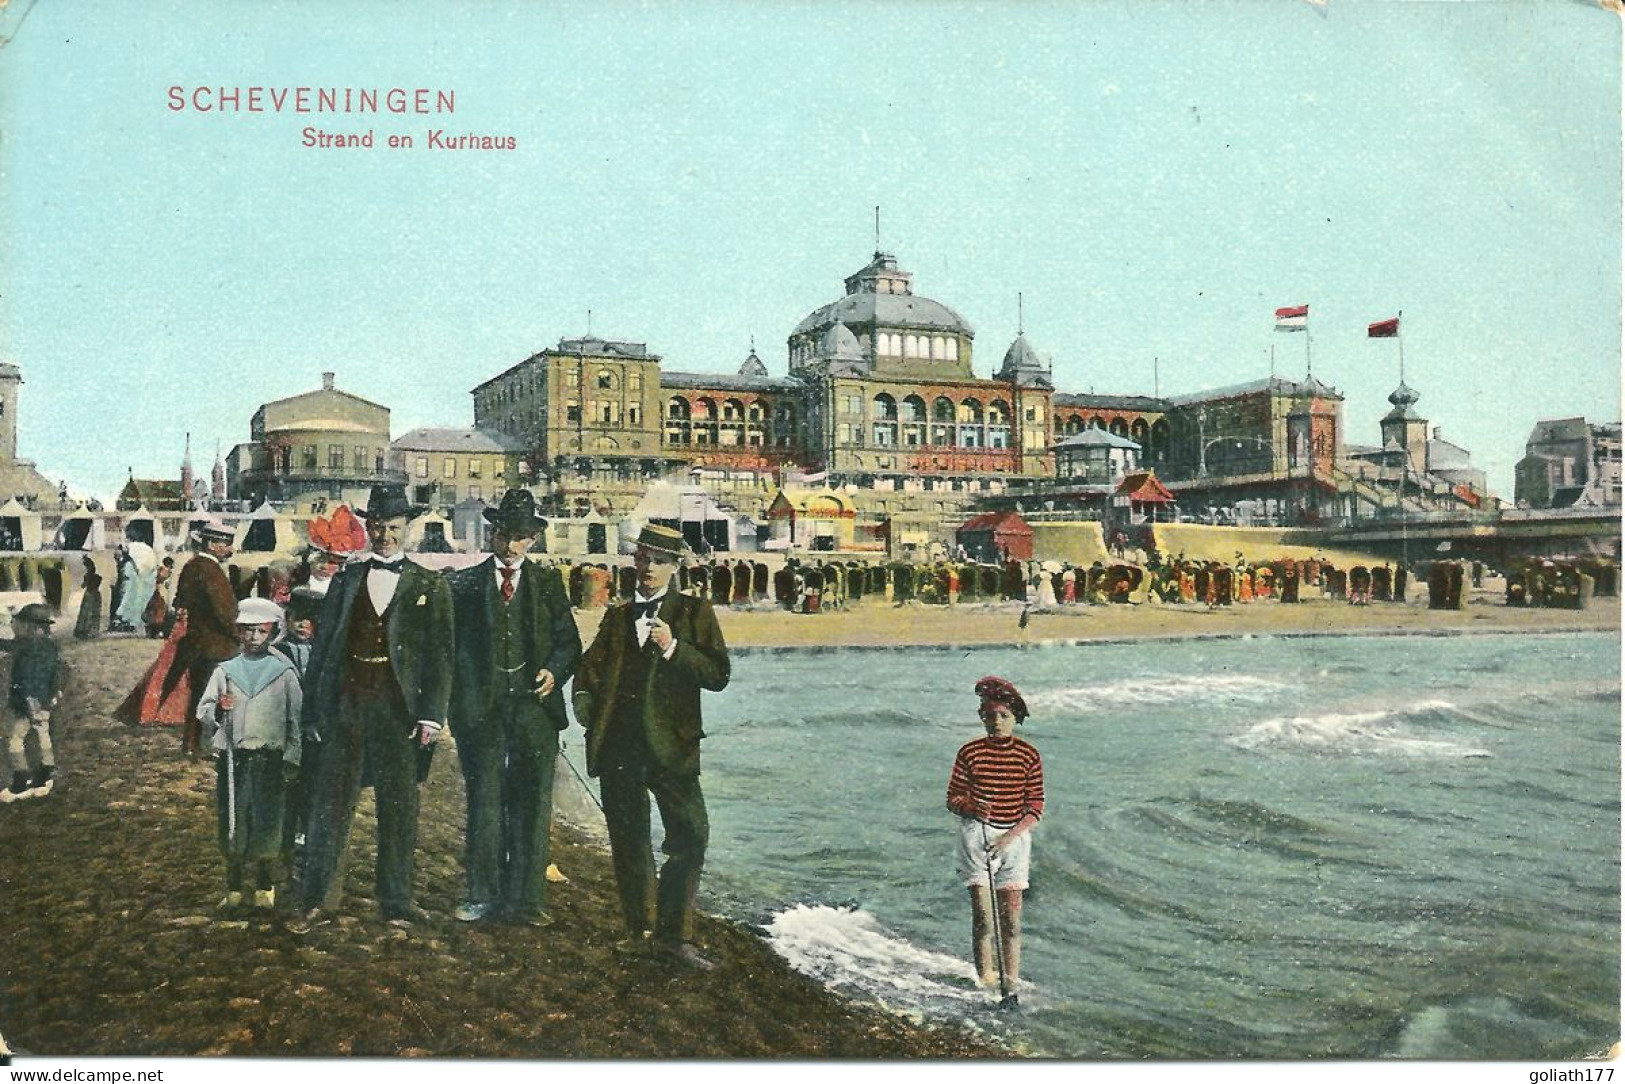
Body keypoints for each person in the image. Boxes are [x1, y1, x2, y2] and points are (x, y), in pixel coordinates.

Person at [572, 524, 730, 969]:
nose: (648, 568)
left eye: (659, 560)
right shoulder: (618, 616)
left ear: (675, 566)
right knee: (629, 839)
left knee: (691, 835)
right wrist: (587, 708)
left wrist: (673, 646)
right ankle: (639, 932)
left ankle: (675, 937)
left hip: (672, 746)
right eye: (642, 558)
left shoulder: (696, 613)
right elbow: (587, 672)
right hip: (620, 746)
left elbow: (717, 676)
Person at [297, 484, 452, 927]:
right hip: (347, 704)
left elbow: (440, 656)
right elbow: (325, 649)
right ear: (367, 528)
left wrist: (431, 716)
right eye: (378, 525)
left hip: (400, 711)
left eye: (393, 527)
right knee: (331, 803)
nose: (385, 534)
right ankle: (320, 896)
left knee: (400, 806)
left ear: (408, 529)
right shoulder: (346, 581)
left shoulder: (429, 584)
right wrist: (314, 712)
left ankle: (396, 901)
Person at [446, 489, 581, 926]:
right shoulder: (465, 585)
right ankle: (482, 895)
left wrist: (553, 673)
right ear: (493, 533)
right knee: (484, 800)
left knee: (532, 802)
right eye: (503, 534)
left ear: (533, 540)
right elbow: (449, 647)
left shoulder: (547, 584)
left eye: (520, 536)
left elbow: (569, 642)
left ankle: (527, 900)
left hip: (534, 712)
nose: (510, 544)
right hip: (480, 710)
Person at [196, 598, 303, 909]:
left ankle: (264, 885)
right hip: (236, 756)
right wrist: (218, 708)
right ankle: (233, 885)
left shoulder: (283, 672)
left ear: (272, 633)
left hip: (270, 757)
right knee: (233, 817)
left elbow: (294, 718)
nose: (254, 637)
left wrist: (293, 757)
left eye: (261, 631)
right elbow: (203, 709)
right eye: (247, 631)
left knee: (268, 819)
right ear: (239, 633)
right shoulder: (226, 671)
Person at [945, 676, 1045, 993]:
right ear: (981, 718)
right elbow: (953, 798)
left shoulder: (1029, 755)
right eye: (990, 716)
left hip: (1014, 839)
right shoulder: (969, 752)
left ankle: (1010, 980)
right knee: (984, 918)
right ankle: (985, 979)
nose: (996, 723)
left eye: (1003, 716)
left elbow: (1035, 807)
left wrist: (1009, 837)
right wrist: (971, 806)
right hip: (977, 837)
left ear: (1015, 718)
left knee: (1012, 922)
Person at [161, 517, 241, 754]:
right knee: (216, 696)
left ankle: (191, 744)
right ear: (212, 545)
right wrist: (239, 635)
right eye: (226, 544)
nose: (230, 549)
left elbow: (179, 601)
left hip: (196, 643)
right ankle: (209, 746)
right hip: (217, 645)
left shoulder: (191, 566)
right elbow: (225, 611)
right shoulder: (211, 571)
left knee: (199, 695)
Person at [0, 604, 64, 802]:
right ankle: (45, 774)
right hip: (44, 698)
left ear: (30, 626)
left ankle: (21, 780)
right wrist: (55, 692)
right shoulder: (49, 645)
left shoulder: (28, 647)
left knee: (15, 739)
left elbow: (27, 676)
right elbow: (55, 673)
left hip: (28, 699)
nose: (14, 627)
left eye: (17, 623)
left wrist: (28, 700)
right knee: (43, 733)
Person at [73, 556, 103, 640]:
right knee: (92, 613)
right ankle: (91, 631)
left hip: (89, 595)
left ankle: (84, 631)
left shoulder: (88, 576)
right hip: (94, 595)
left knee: (86, 613)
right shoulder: (96, 577)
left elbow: (83, 585)